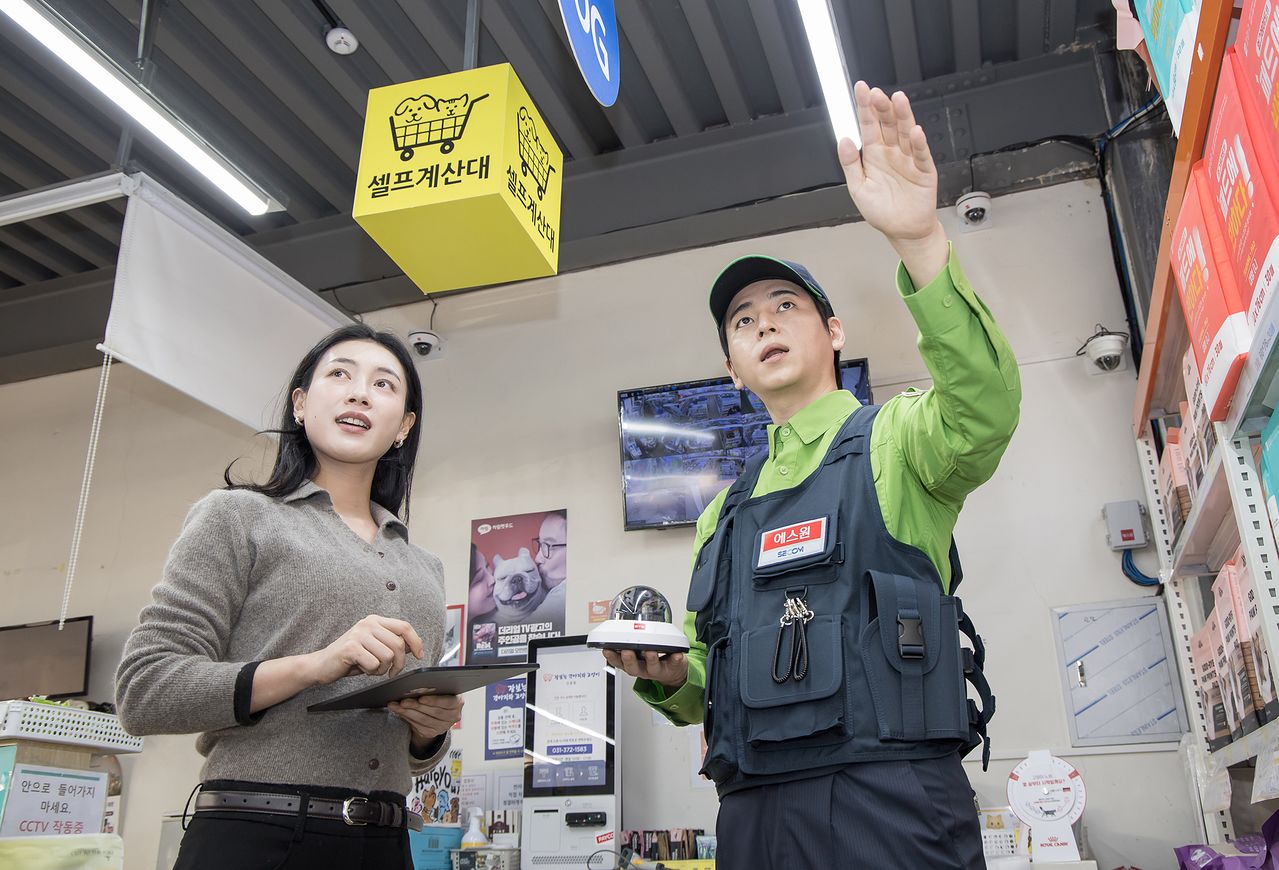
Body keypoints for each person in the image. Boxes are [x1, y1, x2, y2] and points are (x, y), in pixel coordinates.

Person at [603, 82, 1021, 869]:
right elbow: (704, 678)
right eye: (742, 319)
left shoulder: (896, 441)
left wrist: (920, 239)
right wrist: (661, 674)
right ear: (730, 369)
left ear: (832, 330)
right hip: (752, 814)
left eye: (784, 305)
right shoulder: (719, 517)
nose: (763, 321)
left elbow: (985, 408)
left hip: (888, 804)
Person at [115, 324, 464, 870]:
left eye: (384, 385)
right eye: (340, 375)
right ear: (301, 405)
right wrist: (313, 666)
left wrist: (428, 734)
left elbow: (405, 748)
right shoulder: (238, 517)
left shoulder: (424, 568)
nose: (359, 393)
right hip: (257, 833)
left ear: (404, 427)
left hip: (386, 842)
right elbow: (144, 690)